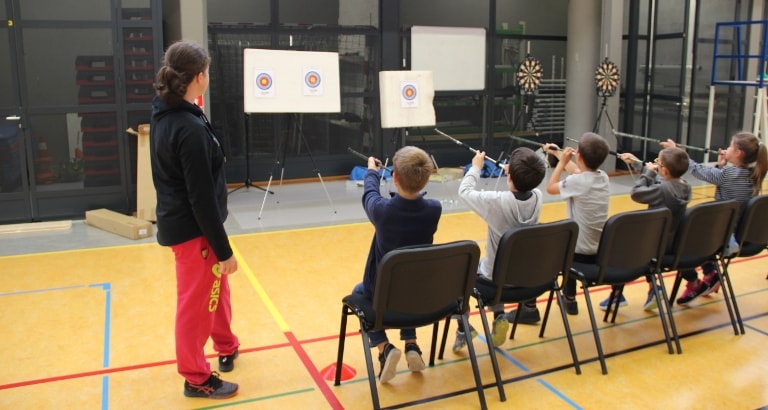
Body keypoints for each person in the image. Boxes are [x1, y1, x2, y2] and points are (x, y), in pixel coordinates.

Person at [150, 40, 240, 399]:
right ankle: (196, 377)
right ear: (199, 77)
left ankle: (226, 343)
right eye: (209, 73)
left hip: (196, 226)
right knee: (196, 304)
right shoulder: (184, 127)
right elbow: (200, 199)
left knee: (216, 291)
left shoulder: (175, 110)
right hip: (194, 232)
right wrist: (223, 249)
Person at [352, 146, 442, 384]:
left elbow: (370, 194)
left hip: (382, 294)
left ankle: (383, 347)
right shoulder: (434, 209)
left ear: (395, 177)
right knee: (408, 287)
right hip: (417, 294)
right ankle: (411, 344)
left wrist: (371, 171)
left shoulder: (383, 211)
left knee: (358, 292)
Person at [504, 132, 610, 322]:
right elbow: (578, 174)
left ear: (580, 156)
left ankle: (529, 307)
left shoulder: (579, 181)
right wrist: (557, 154)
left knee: (541, 241)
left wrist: (560, 163)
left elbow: (551, 188)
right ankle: (569, 299)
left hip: (579, 252)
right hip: (598, 249)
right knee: (568, 236)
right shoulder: (602, 177)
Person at [452, 147, 546, 352]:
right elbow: (522, 189)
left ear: (510, 174)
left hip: (495, 280)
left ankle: (462, 328)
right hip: (525, 278)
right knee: (494, 265)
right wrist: (512, 174)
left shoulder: (497, 202)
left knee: (459, 275)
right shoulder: (538, 196)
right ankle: (499, 316)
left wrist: (476, 167)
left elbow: (464, 192)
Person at [660, 131, 768, 305]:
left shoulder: (729, 175)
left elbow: (698, 170)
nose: (727, 148)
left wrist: (676, 152)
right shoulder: (752, 175)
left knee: (678, 239)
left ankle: (696, 282)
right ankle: (710, 272)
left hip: (721, 236)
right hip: (732, 232)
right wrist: (721, 166)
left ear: (738, 153)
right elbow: (723, 181)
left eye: (731, 146)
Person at [599, 147, 691, 311]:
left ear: (664, 170)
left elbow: (636, 193)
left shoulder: (662, 190)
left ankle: (617, 294)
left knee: (622, 247)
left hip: (654, 245)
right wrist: (638, 165)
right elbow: (662, 183)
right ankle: (653, 289)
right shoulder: (684, 186)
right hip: (670, 242)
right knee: (643, 246)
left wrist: (648, 173)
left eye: (658, 163)